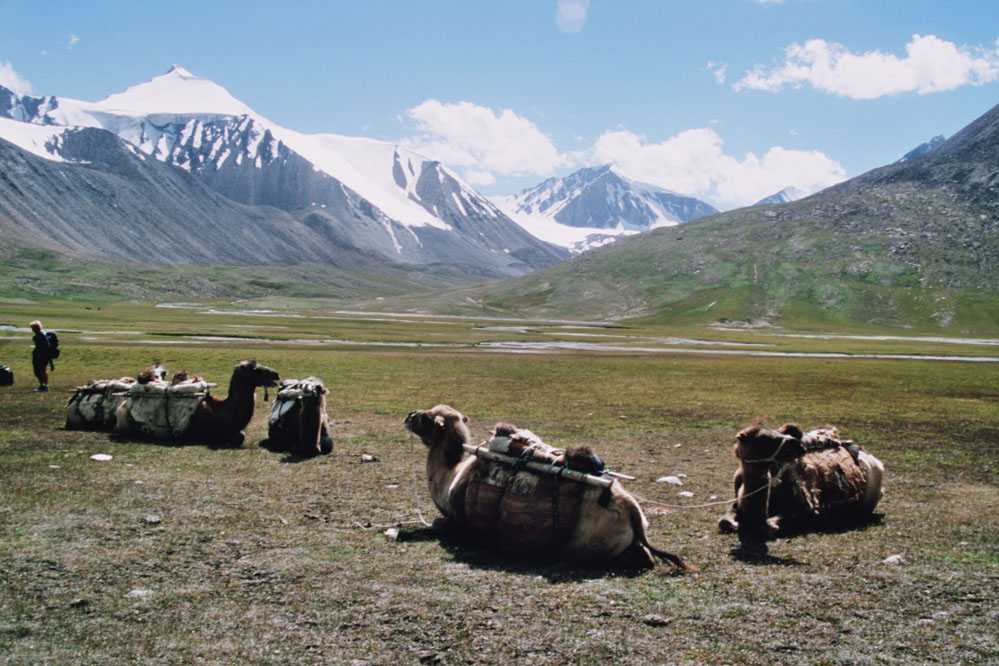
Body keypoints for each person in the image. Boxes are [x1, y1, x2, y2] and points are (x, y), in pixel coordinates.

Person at [29, 320, 52, 392]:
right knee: (42, 371)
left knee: (39, 371)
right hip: (44, 356)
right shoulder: (43, 334)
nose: (32, 330)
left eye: (33, 328)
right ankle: (44, 385)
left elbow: (42, 347)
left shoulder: (38, 336)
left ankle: (43, 386)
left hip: (40, 356)